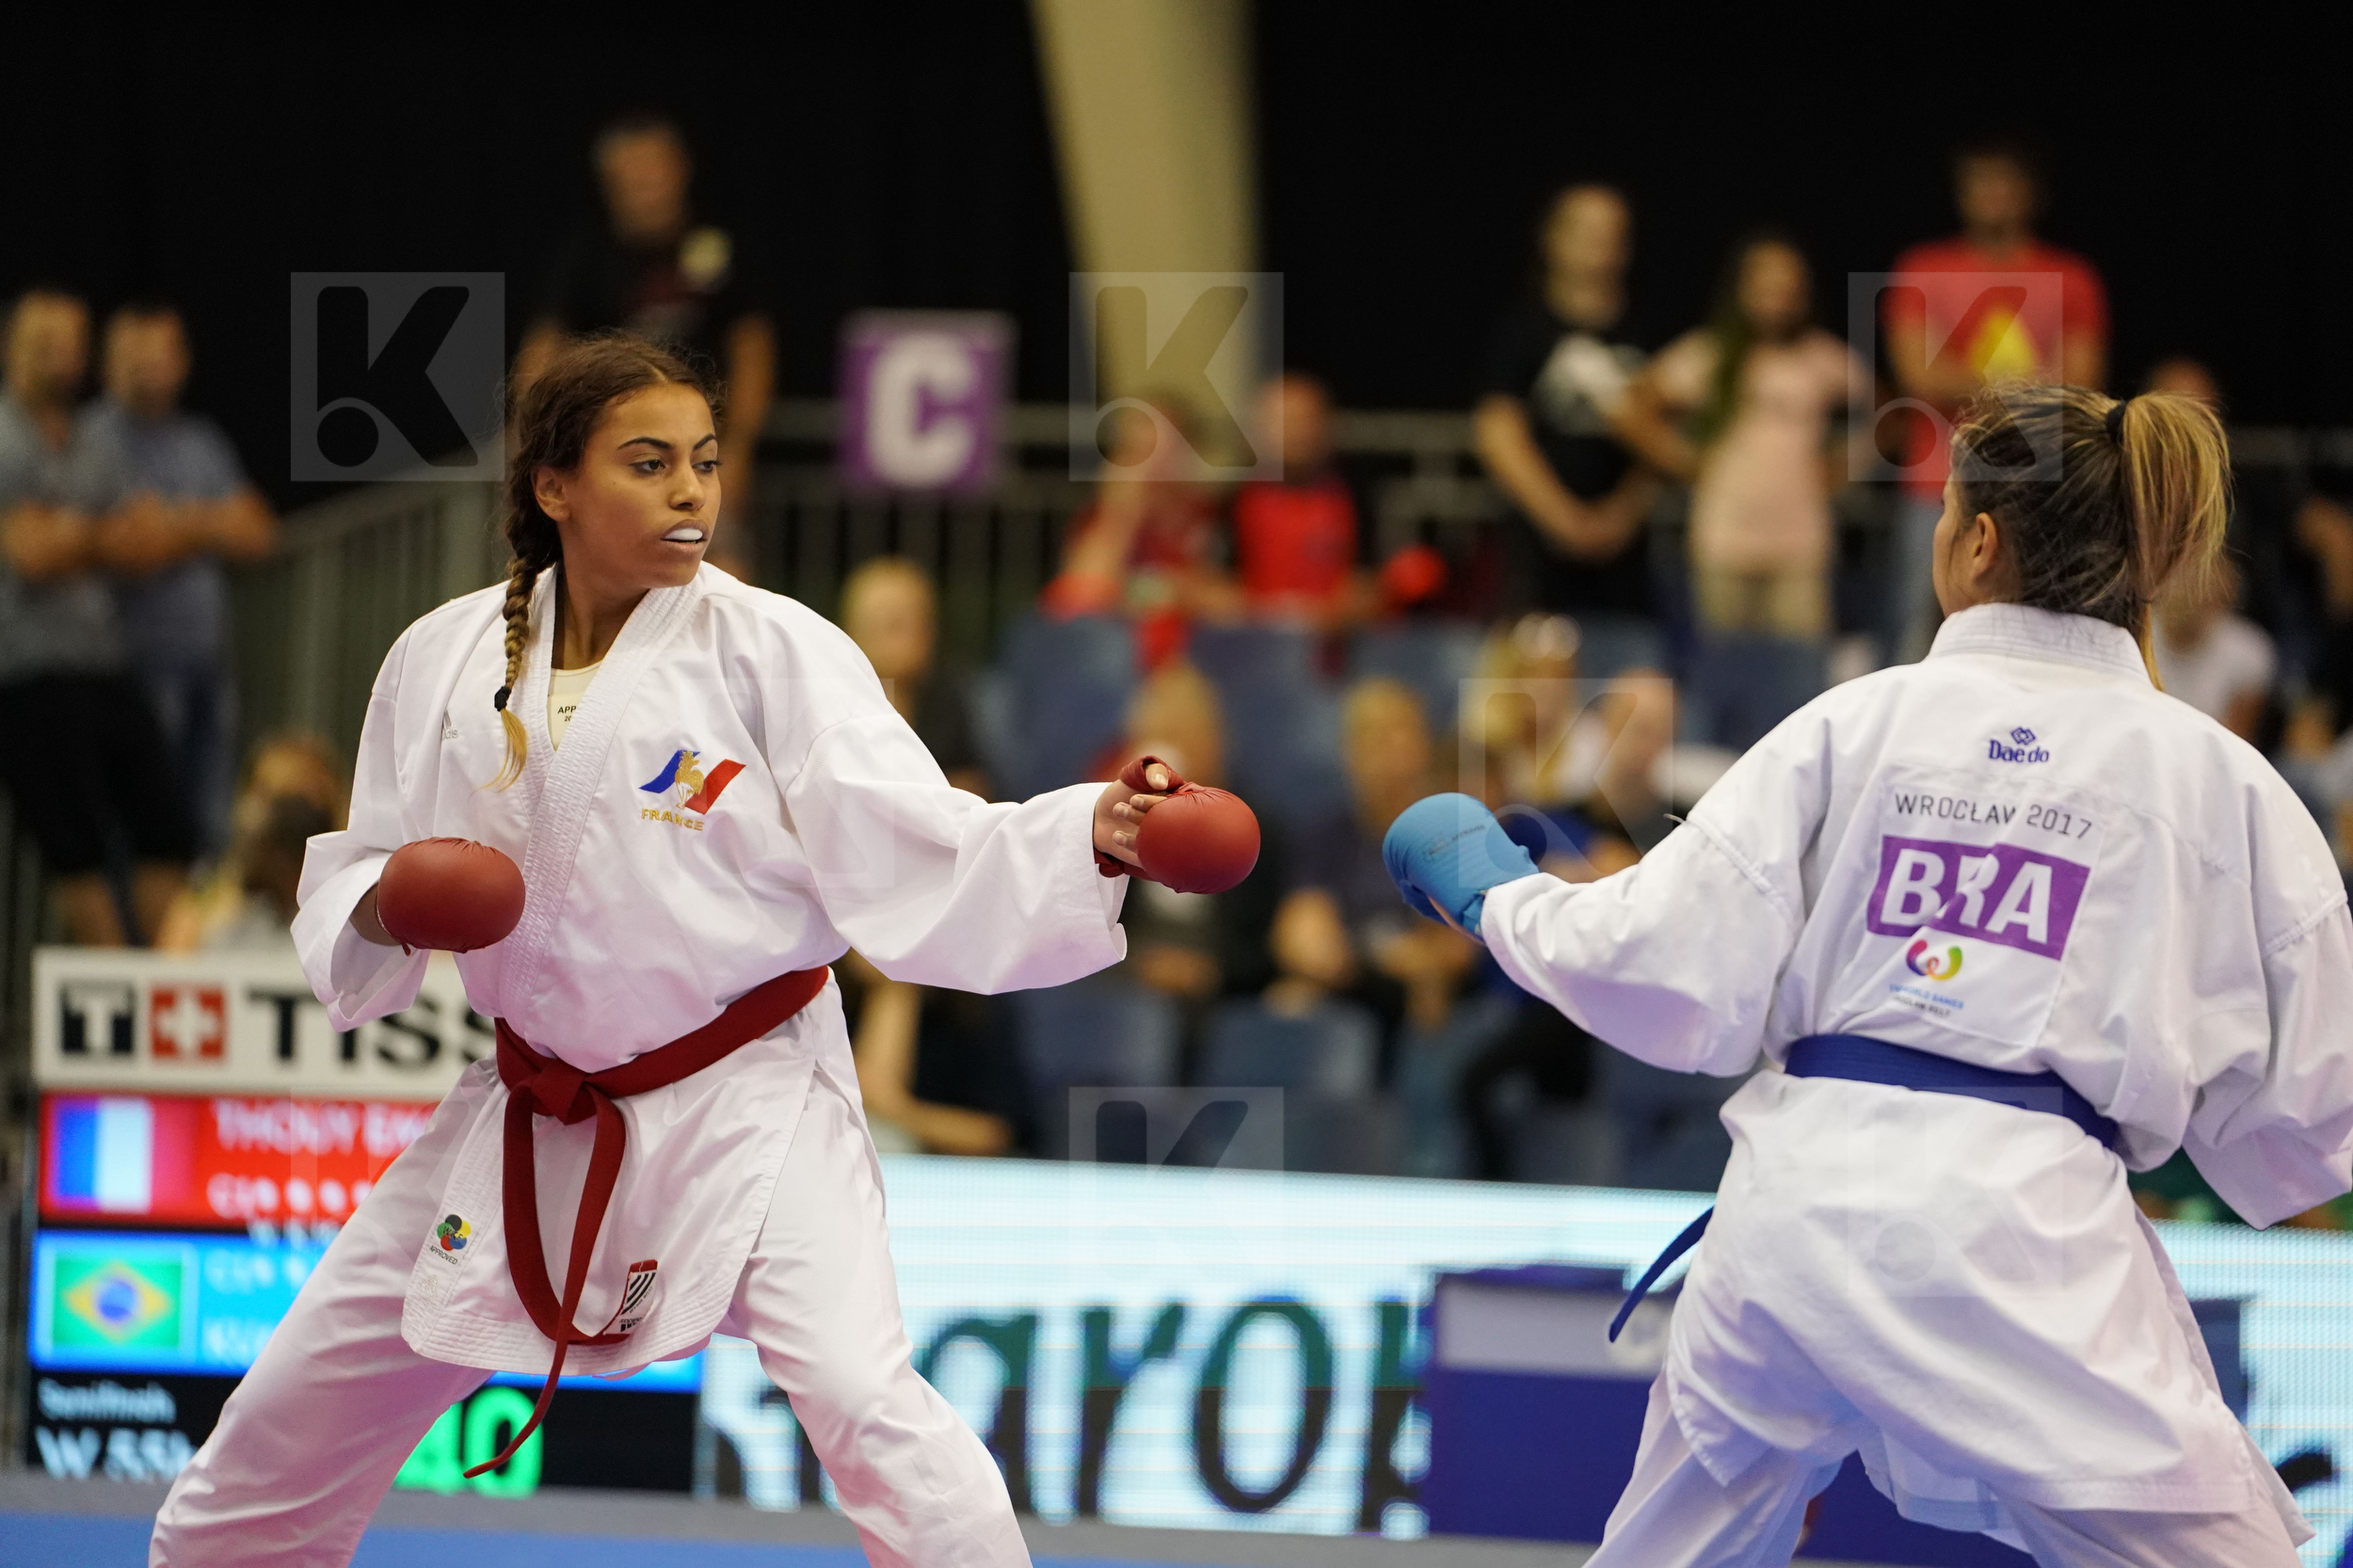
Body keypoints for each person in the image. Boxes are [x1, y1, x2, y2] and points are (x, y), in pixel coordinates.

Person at [152, 334, 1187, 1566]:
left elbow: (927, 843)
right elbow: (360, 872)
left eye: (701, 460)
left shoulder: (771, 649)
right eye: (648, 464)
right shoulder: (441, 657)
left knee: (864, 1399)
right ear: (554, 485)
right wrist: (392, 902)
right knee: (281, 1424)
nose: (692, 490)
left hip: (751, 1102)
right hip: (531, 1103)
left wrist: (1095, 828)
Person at [1386, 385, 2342, 1564]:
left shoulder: (1852, 723)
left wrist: (1497, 895)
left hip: (1792, 1215)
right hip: (2022, 1237)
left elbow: (1655, 954)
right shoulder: (2216, 779)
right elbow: (2311, 1106)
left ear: (1978, 541)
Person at [0, 288, 194, 945]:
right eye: (42, 343)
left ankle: (155, 983)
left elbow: (146, 545)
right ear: (11, 349)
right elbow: (28, 553)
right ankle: (116, 991)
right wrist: (99, 536)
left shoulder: (93, 444)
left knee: (169, 824)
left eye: (68, 344)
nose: (57, 358)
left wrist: (68, 535)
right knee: (73, 841)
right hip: (26, 672)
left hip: (106, 665)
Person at [517, 113, 773, 577]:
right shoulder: (584, 256)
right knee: (591, 565)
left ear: (680, 169)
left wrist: (735, 448)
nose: (644, 183)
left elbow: (752, 349)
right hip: (609, 446)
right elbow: (542, 351)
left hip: (696, 441)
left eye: (652, 168)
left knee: (720, 562)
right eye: (629, 174)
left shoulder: (717, 249)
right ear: (608, 184)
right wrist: (532, 436)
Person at [1881, 138, 2109, 661]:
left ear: (2031, 195)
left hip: (2042, 482)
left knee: (2041, 624)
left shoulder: (2073, 278)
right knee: (1913, 628)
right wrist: (2029, 381)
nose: (1993, 196)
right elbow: (1918, 374)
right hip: (1934, 483)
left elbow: (2082, 384)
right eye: (1981, 183)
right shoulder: (1924, 267)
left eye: (2006, 184)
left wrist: (1965, 377)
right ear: (1962, 195)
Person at [84, 301, 278, 855]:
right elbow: (132, 546)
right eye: (133, 353)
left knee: (209, 819)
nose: (148, 366)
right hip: (129, 665)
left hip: (205, 664)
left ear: (182, 361)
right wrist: (205, 523)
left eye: (159, 353)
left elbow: (257, 531)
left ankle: (192, 936)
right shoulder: (91, 440)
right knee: (138, 821)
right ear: (108, 359)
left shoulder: (201, 441)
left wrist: (177, 522)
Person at [1620, 232, 1869, 641]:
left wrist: (1844, 465)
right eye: (1764, 284)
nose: (1776, 297)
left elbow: (1887, 412)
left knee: (1799, 673)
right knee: (1726, 668)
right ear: (1740, 288)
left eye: (1787, 285)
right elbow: (1634, 408)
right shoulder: (1711, 353)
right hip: (1724, 539)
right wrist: (1684, 460)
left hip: (1799, 545)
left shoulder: (1820, 357)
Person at [1473, 184, 1662, 672]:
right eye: (1584, 231)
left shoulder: (1648, 330)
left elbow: (1667, 441)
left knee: (1627, 686)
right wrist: (1565, 521)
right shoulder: (1521, 330)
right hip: (1538, 555)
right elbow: (1498, 433)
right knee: (1533, 698)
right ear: (1552, 240)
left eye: (1613, 233)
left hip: (1626, 561)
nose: (1599, 245)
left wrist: (1620, 516)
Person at [1041, 394, 1230, 668]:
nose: (1153, 467)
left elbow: (1230, 602)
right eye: (1139, 453)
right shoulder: (1100, 517)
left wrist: (1176, 593)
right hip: (1114, 654)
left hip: (1193, 655)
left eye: (1167, 450)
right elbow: (1078, 595)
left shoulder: (1207, 515)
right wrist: (1121, 514)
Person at [839, 555, 988, 797]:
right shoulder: (831, 705)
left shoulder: (956, 700)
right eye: (881, 625)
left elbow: (972, 788)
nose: (894, 642)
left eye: (902, 623)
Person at [2153, 555, 2275, 743]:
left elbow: (2235, 743)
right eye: (2183, 581)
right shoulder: (2132, 638)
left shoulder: (2250, 653)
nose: (2188, 595)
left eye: (2200, 586)